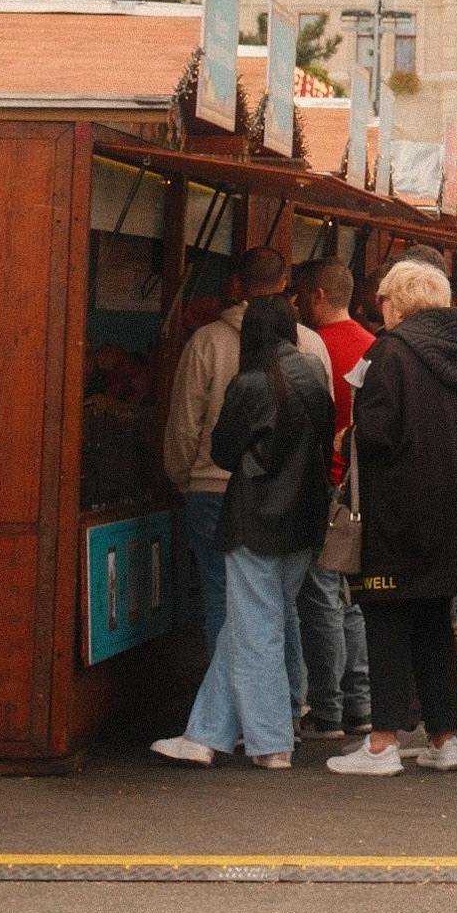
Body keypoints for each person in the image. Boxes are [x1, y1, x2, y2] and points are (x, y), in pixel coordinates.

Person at [152, 293, 336, 769]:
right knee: (257, 623)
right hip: (306, 515)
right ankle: (204, 734)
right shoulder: (314, 370)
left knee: (254, 628)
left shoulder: (248, 384)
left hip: (254, 516)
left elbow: (224, 453)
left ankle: (272, 743)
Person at [328, 257, 457, 778]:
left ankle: (382, 744)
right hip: (456, 517)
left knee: (387, 624)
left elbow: (376, 435)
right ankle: (443, 738)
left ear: (391, 302)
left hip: (397, 515)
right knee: (433, 627)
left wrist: (346, 438)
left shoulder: (390, 353)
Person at [162, 247, 334, 648]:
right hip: (289, 496)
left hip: (212, 489)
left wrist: (184, 478)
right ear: (283, 286)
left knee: (220, 599)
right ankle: (290, 699)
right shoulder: (310, 344)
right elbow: (324, 419)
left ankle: (232, 702)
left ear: (236, 285)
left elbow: (186, 422)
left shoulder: (206, 342)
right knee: (281, 605)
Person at [294, 258, 375, 742]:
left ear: (318, 295)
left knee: (320, 597)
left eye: (303, 295)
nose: (299, 305)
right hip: (358, 488)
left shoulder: (312, 347)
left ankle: (328, 707)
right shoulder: (373, 347)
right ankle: (359, 703)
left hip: (326, 481)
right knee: (350, 600)